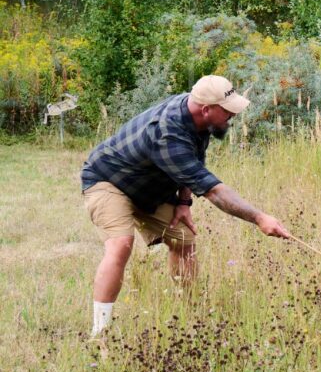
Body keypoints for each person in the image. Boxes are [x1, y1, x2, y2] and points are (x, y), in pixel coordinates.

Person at [82, 75, 291, 336]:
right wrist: (260, 218)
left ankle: (191, 316)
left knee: (184, 238)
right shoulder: (167, 133)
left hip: (149, 186)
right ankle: (99, 333)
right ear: (206, 109)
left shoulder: (195, 115)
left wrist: (183, 201)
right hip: (109, 180)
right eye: (228, 111)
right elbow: (214, 191)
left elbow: (193, 163)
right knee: (121, 245)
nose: (232, 117)